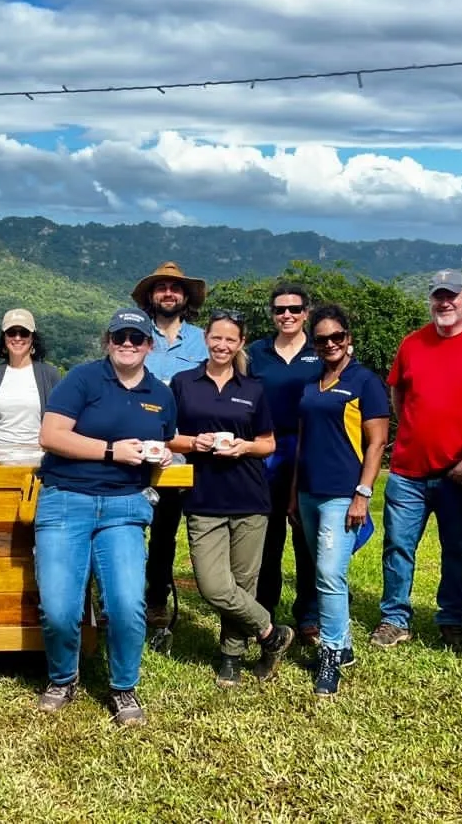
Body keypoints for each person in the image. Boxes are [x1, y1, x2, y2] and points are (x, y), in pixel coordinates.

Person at [35, 308, 177, 726]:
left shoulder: (161, 394)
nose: (128, 344)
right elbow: (51, 435)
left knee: (127, 602)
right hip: (66, 499)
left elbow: (162, 439)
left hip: (125, 504)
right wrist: (112, 450)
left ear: (150, 345)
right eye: (120, 337)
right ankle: (63, 677)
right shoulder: (82, 378)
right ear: (107, 341)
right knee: (59, 607)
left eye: (137, 337)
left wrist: (162, 453)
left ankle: (123, 687)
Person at [373, 269, 462, 650]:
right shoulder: (412, 344)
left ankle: (451, 618)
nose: (444, 302)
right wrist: (414, 429)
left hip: (461, 471)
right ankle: (394, 618)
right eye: (438, 295)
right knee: (399, 546)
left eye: (451, 295)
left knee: (456, 549)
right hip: (408, 469)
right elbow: (398, 394)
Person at [169, 310, 294, 687]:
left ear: (240, 344)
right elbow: (167, 436)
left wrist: (245, 447)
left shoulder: (252, 388)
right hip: (203, 496)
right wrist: (195, 442)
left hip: (250, 497)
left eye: (230, 340)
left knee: (243, 583)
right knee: (212, 585)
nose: (222, 345)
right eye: (216, 338)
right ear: (205, 338)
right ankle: (272, 633)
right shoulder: (183, 382)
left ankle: (231, 655)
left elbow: (268, 443)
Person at [293, 305, 389, 697]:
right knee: (324, 570)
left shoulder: (364, 381)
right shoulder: (312, 383)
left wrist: (363, 494)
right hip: (308, 492)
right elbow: (302, 441)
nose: (331, 343)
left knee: (330, 573)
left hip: (342, 494)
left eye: (338, 337)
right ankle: (343, 641)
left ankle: (331, 653)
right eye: (322, 339)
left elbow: (377, 441)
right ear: (315, 345)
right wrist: (291, 496)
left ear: (349, 338)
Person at [129, 261, 208, 630]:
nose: (168, 293)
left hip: (180, 450)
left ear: (185, 297)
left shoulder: (202, 340)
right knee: (126, 526)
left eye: (175, 288)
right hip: (132, 450)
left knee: (164, 530)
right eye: (161, 287)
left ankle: (156, 600)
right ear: (151, 296)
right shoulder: (133, 335)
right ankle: (123, 596)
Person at [246, 283, 322, 643]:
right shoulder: (255, 353)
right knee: (267, 535)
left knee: (308, 536)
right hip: (267, 449)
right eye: (279, 309)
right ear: (272, 314)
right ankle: (264, 611)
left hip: (310, 449)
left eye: (294, 308)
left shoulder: (320, 350)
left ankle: (309, 613)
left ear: (306, 312)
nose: (287, 315)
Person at [0, 308, 62, 448]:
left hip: (38, 458)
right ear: (4, 338)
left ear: (32, 338)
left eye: (24, 333)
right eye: (11, 333)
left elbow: (60, 422)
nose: (17, 338)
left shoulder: (50, 375)